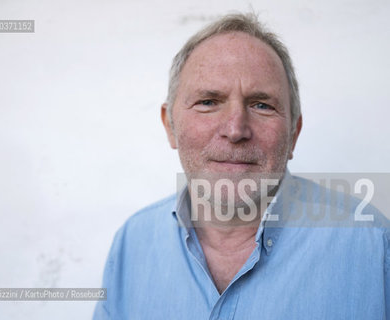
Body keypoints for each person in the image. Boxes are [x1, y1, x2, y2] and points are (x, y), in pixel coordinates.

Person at [93, 12, 389, 319]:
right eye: (208, 102)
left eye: (262, 105)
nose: (235, 130)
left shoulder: (373, 245)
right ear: (170, 126)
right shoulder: (132, 242)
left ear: (293, 134)